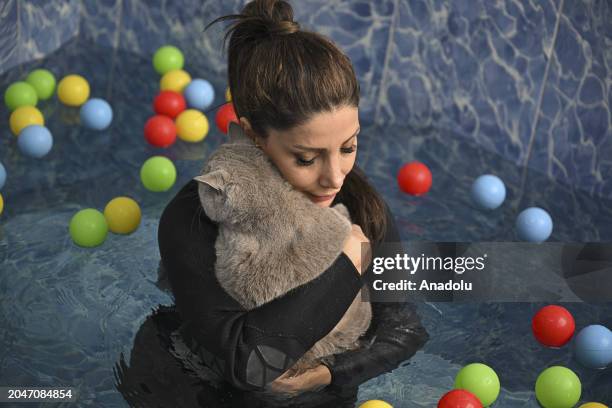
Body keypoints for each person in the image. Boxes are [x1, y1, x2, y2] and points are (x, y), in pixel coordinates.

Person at [156, 0, 429, 405]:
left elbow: (404, 329)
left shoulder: (362, 207)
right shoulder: (194, 217)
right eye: (306, 158)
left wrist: (326, 375)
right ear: (253, 136)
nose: (335, 177)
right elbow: (248, 365)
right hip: (197, 387)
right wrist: (348, 265)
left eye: (349, 146)